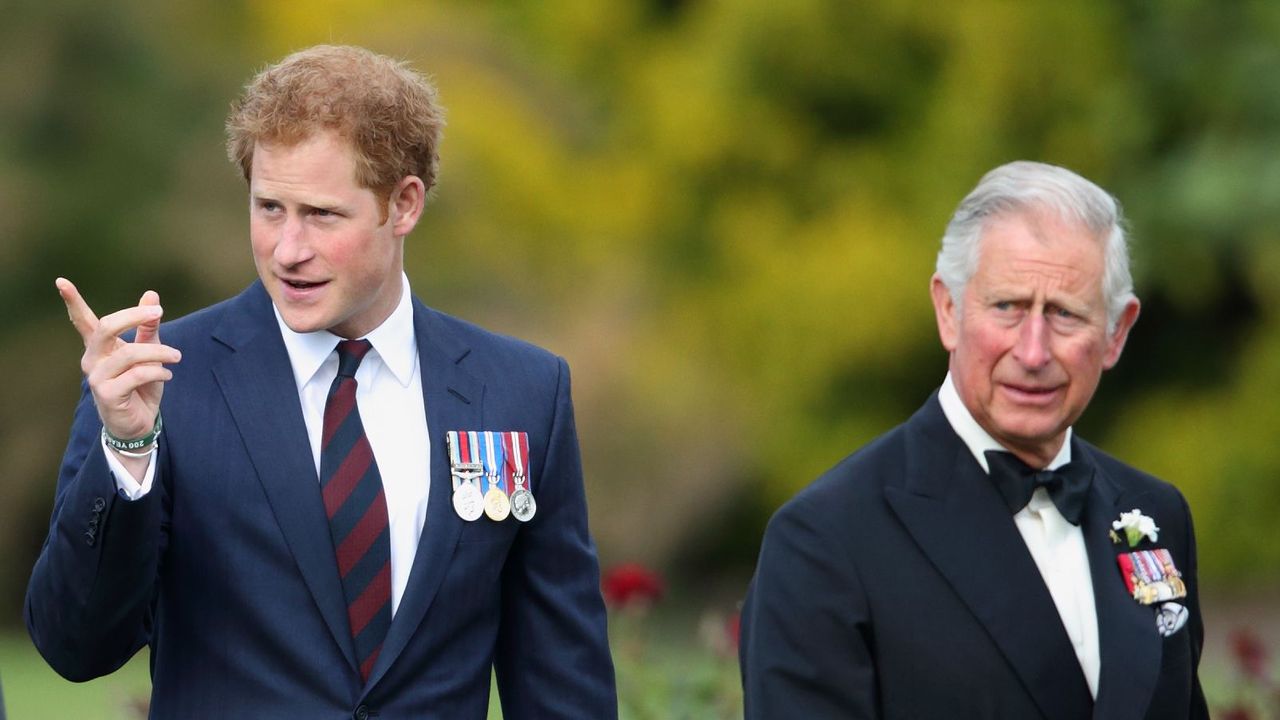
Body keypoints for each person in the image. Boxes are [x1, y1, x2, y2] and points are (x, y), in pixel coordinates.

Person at [27, 45, 616, 718]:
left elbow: (563, 687)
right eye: (270, 207)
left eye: (321, 214)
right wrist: (129, 450)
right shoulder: (158, 381)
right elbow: (74, 648)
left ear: (404, 205)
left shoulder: (521, 392)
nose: (288, 249)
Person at [740, 161, 1208, 719]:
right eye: (1007, 307)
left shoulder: (1156, 514)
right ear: (948, 311)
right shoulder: (825, 540)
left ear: (1115, 334)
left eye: (1064, 314)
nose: (1033, 353)